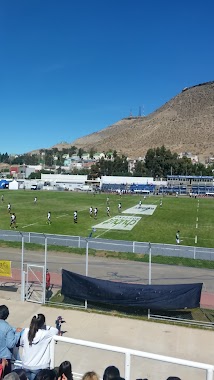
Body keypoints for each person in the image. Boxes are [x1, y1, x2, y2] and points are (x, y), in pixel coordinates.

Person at [20, 313, 58, 380]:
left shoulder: (26, 331)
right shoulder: (45, 334)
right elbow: (55, 330)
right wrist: (45, 326)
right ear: (43, 323)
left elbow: (21, 343)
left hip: (26, 365)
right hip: (39, 367)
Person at [0, 305, 22, 376]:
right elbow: (10, 344)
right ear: (6, 315)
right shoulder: (8, 328)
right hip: (4, 360)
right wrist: (17, 334)